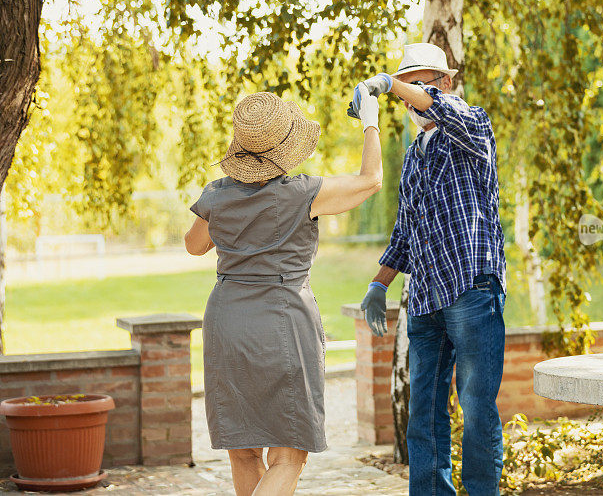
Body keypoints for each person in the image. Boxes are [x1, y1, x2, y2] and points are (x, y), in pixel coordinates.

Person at [184, 88, 382, 496]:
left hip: (227, 322)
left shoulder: (215, 194)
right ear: (285, 147)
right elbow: (371, 180)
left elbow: (194, 245)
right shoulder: (303, 192)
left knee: (243, 451)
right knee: (288, 457)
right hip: (283, 323)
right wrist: (371, 121)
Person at [358, 43, 507, 496]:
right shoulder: (413, 158)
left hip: (470, 289)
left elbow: (445, 110)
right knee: (422, 416)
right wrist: (377, 284)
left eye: (420, 85)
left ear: (445, 82)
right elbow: (405, 233)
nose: (410, 99)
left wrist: (386, 83)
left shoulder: (472, 127)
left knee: (477, 409)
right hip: (424, 300)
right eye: (405, 92)